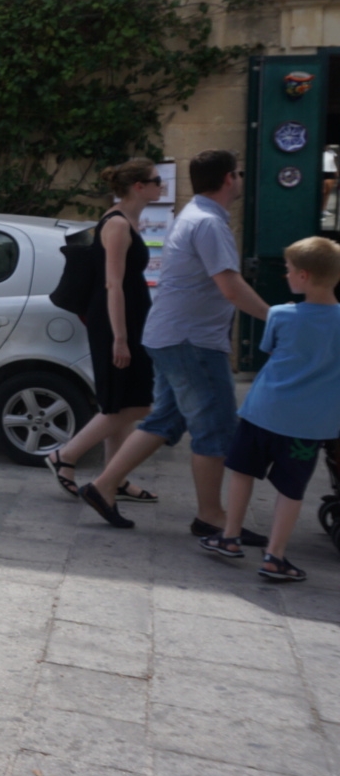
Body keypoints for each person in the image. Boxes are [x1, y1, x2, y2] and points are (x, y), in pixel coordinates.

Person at [80, 150, 272, 537]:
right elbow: (230, 286)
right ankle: (211, 516)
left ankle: (102, 486)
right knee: (215, 428)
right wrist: (280, 318)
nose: (239, 180)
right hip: (193, 342)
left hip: (172, 336)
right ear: (228, 179)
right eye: (237, 174)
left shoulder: (193, 216)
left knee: (166, 419)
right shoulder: (208, 223)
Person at [200, 237, 340, 581]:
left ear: (303, 276)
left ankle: (230, 536)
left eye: (289, 270)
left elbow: (270, 350)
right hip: (310, 425)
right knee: (292, 490)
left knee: (243, 472)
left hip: (262, 412)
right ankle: (275, 557)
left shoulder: (280, 315)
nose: (286, 276)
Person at [43, 159, 165, 501]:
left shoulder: (129, 221)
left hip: (129, 321)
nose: (162, 185)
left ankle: (116, 477)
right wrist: (121, 339)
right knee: (136, 404)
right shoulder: (116, 225)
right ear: (139, 186)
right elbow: (113, 285)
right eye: (156, 180)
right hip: (115, 324)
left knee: (120, 401)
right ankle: (64, 455)